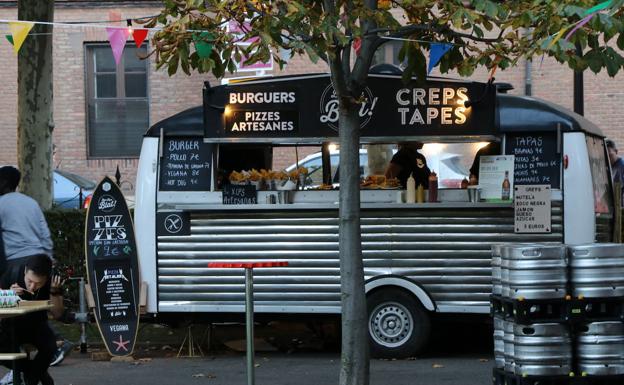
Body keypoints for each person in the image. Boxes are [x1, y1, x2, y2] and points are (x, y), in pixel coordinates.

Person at [0, 254, 63, 385]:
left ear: (46, 279)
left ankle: (33, 376)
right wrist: (8, 294)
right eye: (29, 281)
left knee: (50, 346)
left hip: (36, 324)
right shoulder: (12, 273)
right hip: (11, 325)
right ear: (24, 271)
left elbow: (57, 313)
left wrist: (54, 291)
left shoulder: (51, 282)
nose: (32, 287)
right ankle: (36, 372)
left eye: (38, 283)